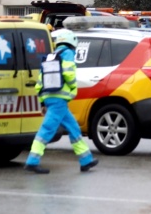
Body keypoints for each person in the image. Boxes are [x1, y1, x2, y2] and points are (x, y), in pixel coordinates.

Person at [25, 29, 98, 174]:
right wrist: (72, 86)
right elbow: (69, 72)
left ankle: (86, 160)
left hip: (50, 98)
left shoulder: (51, 56)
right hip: (59, 99)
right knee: (47, 129)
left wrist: (42, 102)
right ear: (72, 43)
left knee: (73, 128)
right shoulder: (68, 53)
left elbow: (40, 82)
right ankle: (32, 161)